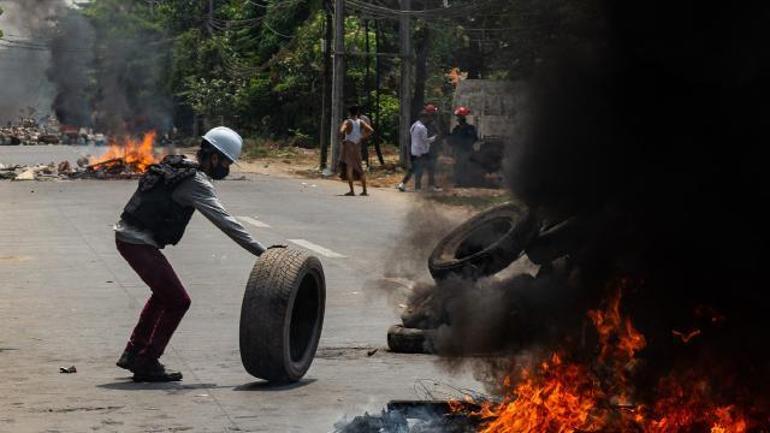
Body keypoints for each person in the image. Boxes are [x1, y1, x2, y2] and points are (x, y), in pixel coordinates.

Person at [114, 126, 275, 382]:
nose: (226, 169)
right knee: (179, 300)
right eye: (226, 162)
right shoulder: (196, 182)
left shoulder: (178, 163)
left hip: (128, 236)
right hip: (137, 242)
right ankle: (147, 360)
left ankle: (134, 352)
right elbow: (227, 223)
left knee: (163, 295)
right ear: (214, 158)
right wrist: (264, 253)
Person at [398, 110, 438, 192]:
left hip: (414, 151)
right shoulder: (422, 127)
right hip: (421, 152)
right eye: (427, 118)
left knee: (413, 169)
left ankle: (402, 184)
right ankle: (419, 188)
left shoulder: (414, 125)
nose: (427, 120)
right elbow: (425, 140)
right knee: (424, 169)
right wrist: (434, 138)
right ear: (423, 118)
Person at [339, 105, 374, 196]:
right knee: (360, 168)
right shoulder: (360, 121)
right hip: (357, 146)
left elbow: (341, 131)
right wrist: (361, 137)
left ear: (349, 113)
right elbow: (371, 130)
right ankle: (364, 191)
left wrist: (343, 139)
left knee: (349, 167)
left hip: (349, 146)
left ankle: (352, 191)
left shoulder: (347, 121)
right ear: (357, 113)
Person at [448, 106, 478, 187]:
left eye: (460, 118)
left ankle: (465, 182)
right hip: (459, 150)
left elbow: (475, 138)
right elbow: (452, 140)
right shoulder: (457, 129)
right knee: (459, 166)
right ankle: (459, 182)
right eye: (459, 118)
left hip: (466, 150)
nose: (459, 120)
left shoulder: (470, 129)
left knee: (465, 166)